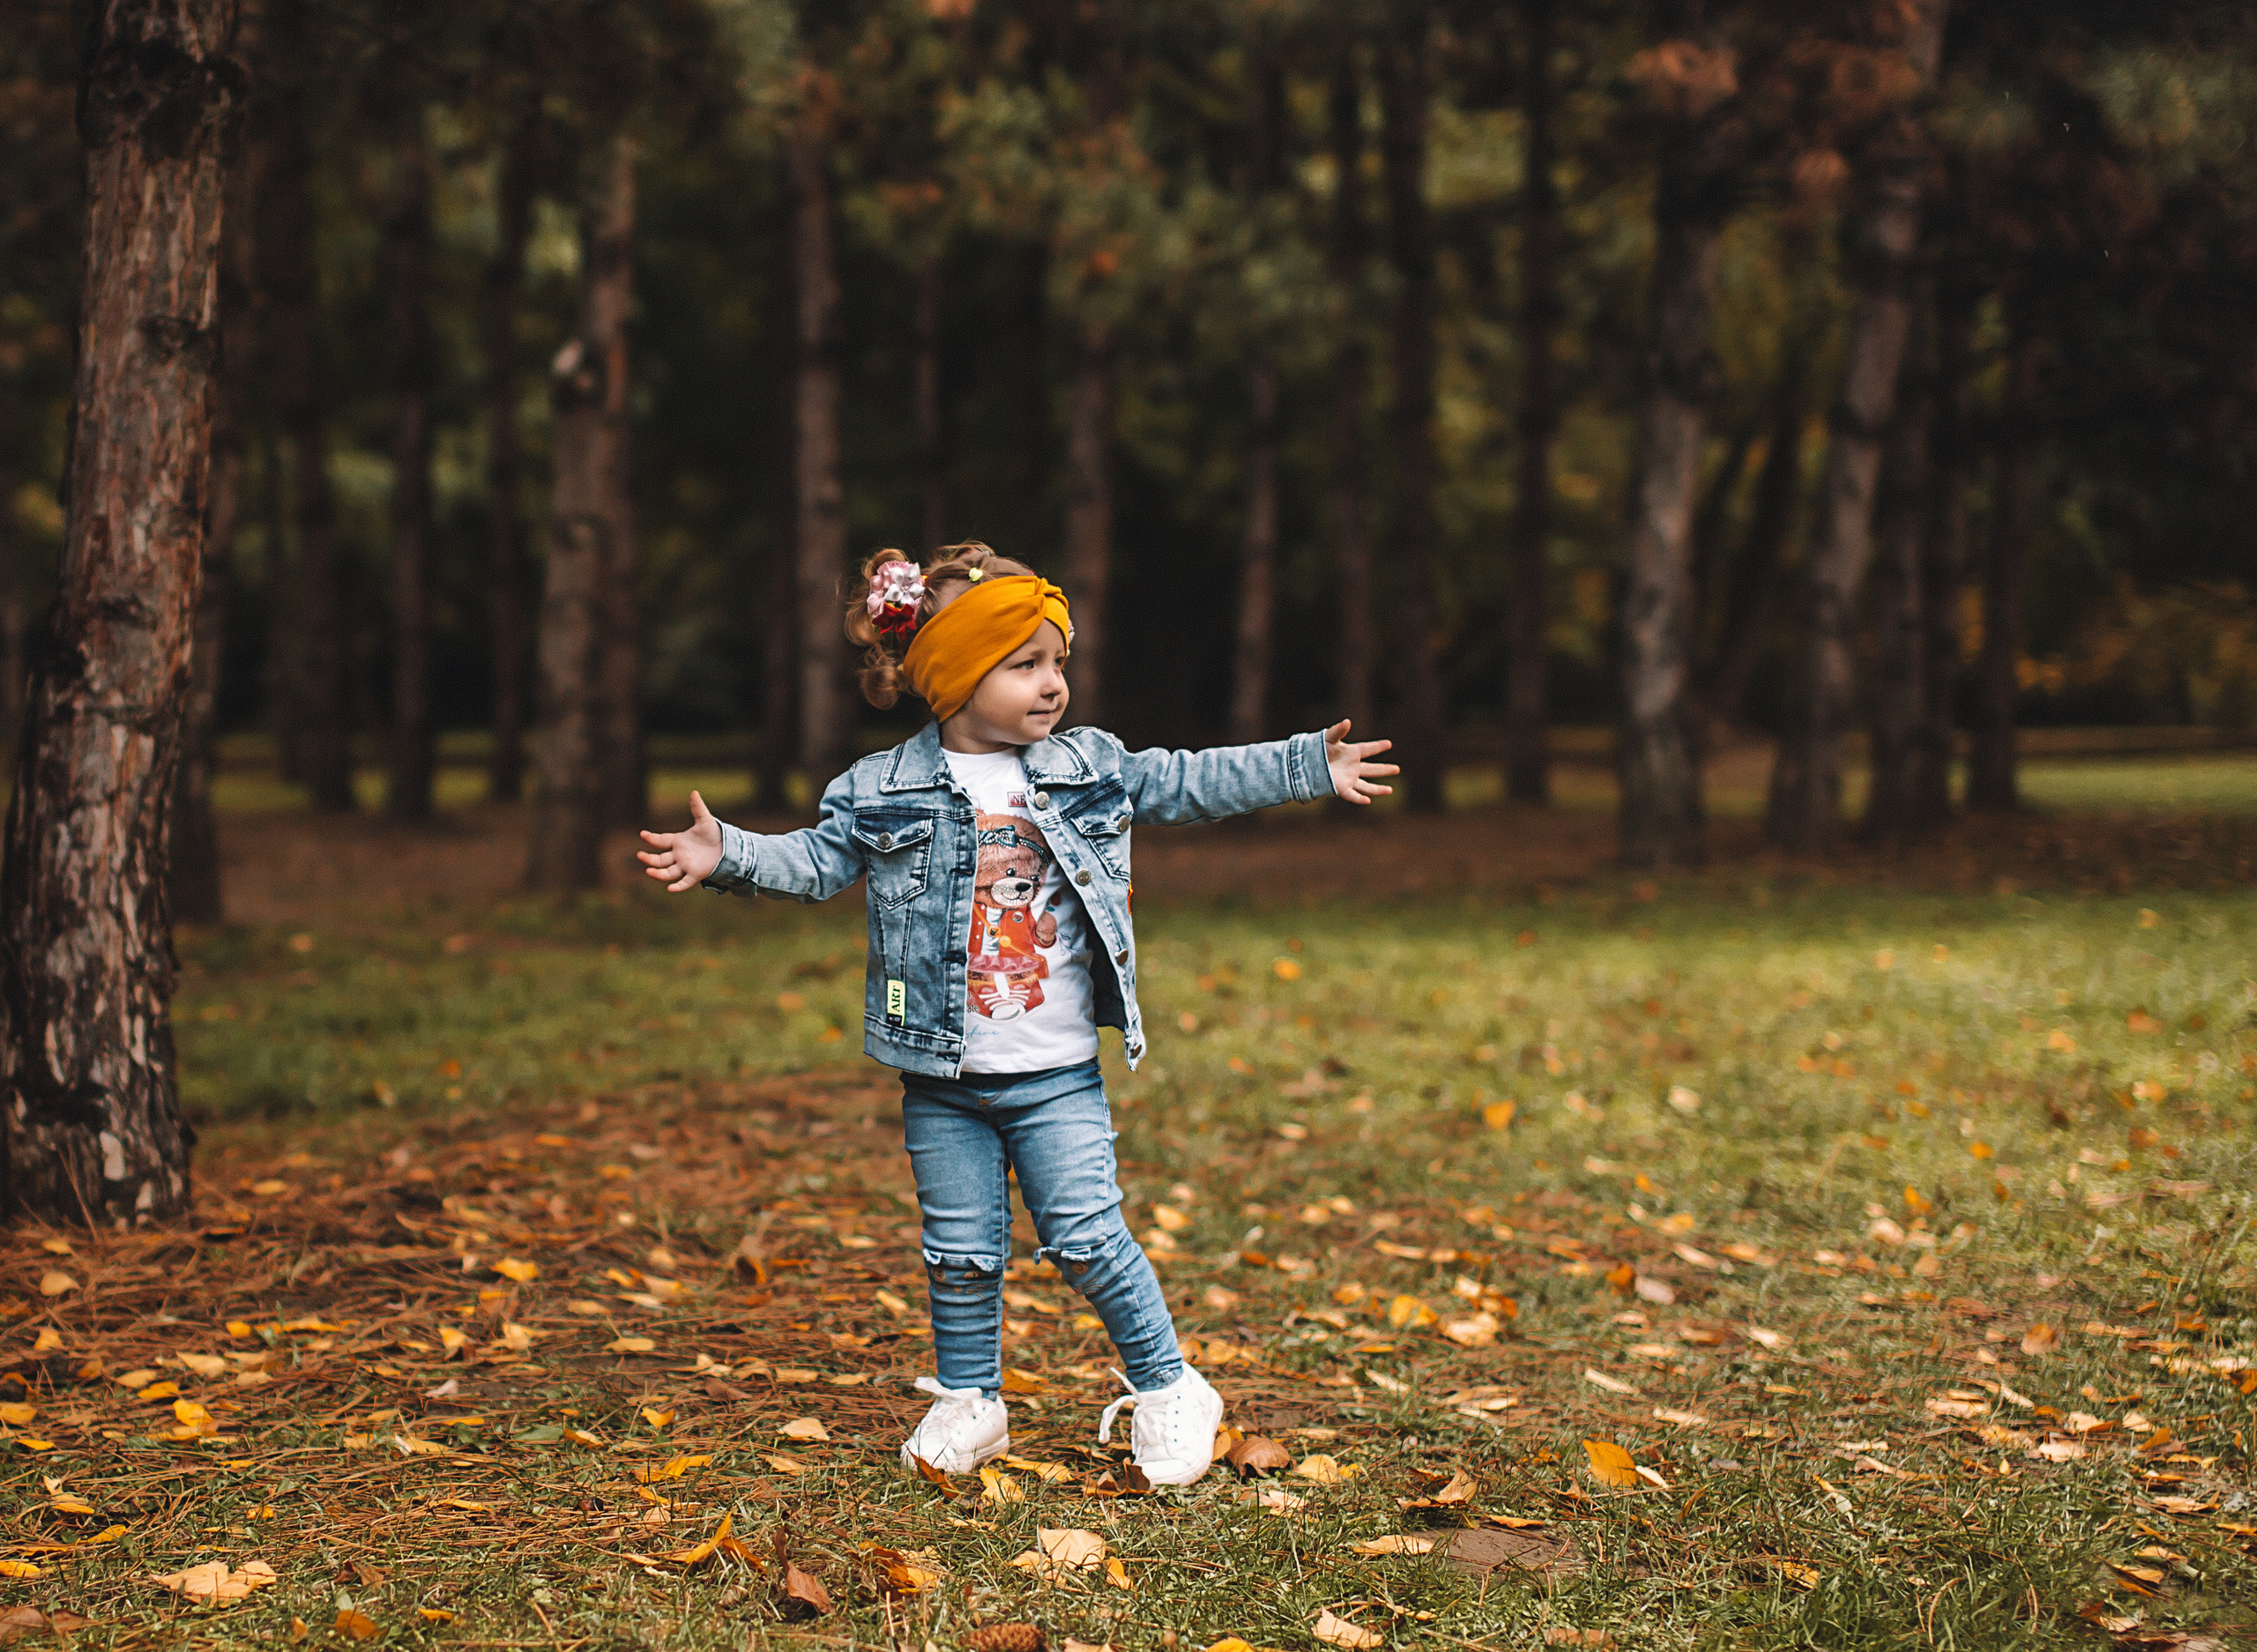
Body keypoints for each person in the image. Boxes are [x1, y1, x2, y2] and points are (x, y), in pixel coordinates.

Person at [636, 542, 1397, 1485]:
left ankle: (1168, 1387)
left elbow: (1188, 779)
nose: (1052, 685)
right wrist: (731, 855)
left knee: (1083, 1233)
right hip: (941, 1076)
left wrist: (1302, 766)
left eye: (1058, 662)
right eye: (1023, 664)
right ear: (952, 675)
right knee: (957, 1250)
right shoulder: (882, 787)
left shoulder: (1087, 764)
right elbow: (818, 862)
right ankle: (971, 1401)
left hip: (1054, 1072)